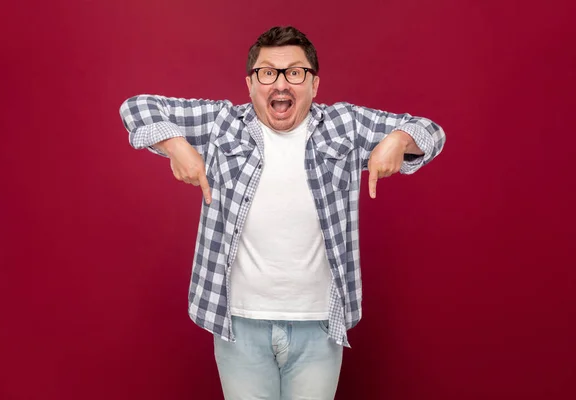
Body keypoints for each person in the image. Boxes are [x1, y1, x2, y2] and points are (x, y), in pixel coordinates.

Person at [119, 25, 445, 400]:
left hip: (320, 325)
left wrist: (398, 140)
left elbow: (430, 131)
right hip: (238, 323)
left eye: (295, 72)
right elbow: (136, 107)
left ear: (314, 84)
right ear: (250, 83)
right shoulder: (221, 124)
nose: (280, 85)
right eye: (267, 73)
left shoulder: (346, 126)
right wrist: (175, 144)